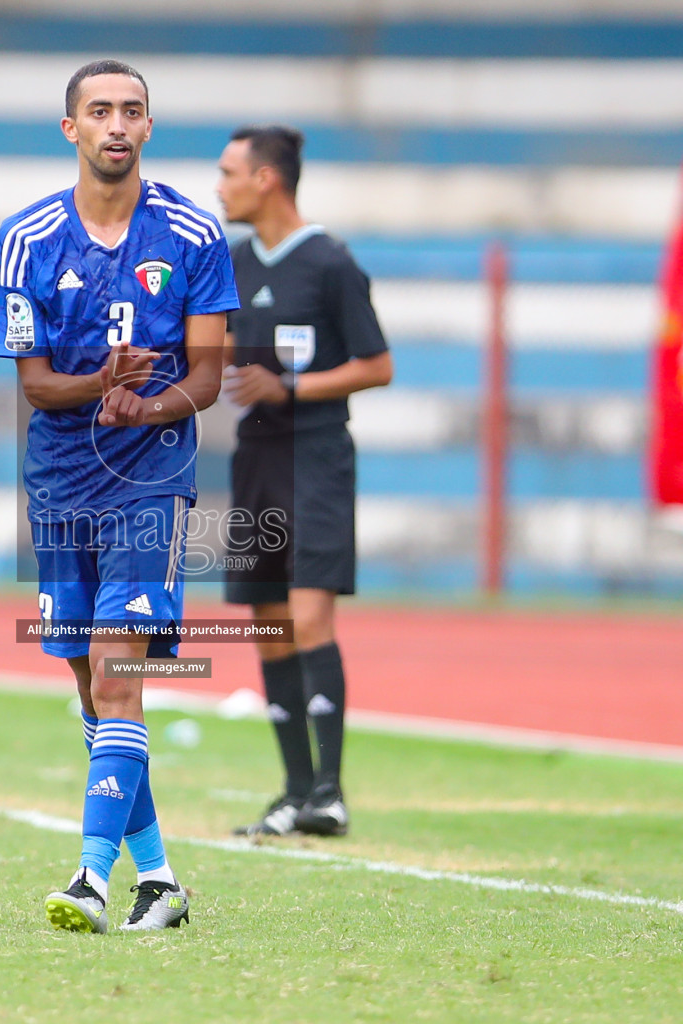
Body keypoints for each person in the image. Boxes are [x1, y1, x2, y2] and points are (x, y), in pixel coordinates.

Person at [0, 59, 237, 932]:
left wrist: (150, 403)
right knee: (94, 692)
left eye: (132, 110)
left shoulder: (193, 235)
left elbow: (208, 376)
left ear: (148, 125)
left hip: (152, 482)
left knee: (116, 671)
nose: (117, 125)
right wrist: (102, 382)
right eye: (100, 111)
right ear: (72, 129)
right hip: (59, 485)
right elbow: (34, 386)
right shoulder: (25, 240)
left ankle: (91, 882)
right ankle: (162, 882)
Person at [215, 124, 393, 839]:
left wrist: (289, 386)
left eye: (229, 172)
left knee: (312, 618)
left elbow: (377, 366)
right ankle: (291, 792)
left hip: (315, 458)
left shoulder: (330, 264)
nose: (219, 185)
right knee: (268, 627)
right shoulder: (230, 262)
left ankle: (330, 792)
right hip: (255, 461)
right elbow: (218, 353)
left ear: (267, 180)